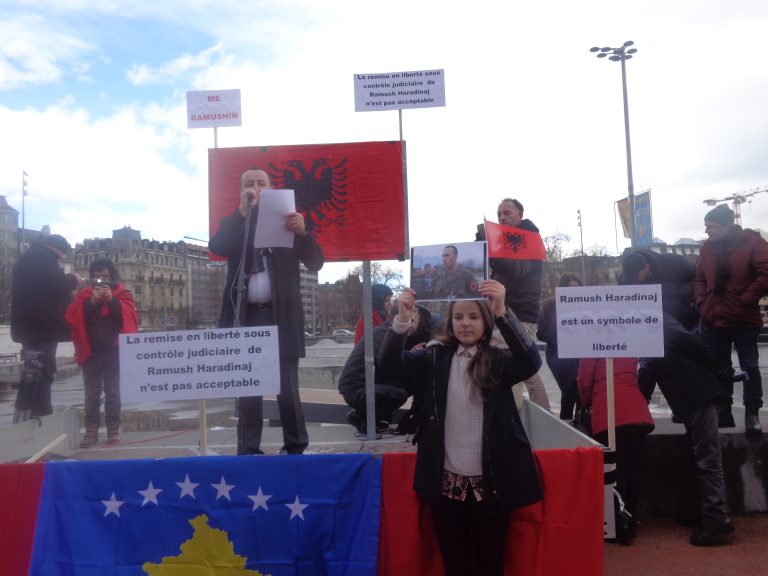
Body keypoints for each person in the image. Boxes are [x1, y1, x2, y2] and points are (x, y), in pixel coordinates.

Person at [378, 281, 543, 576]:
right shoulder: (434, 356)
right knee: (455, 565)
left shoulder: (499, 359)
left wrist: (503, 313)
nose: (465, 323)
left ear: (486, 321)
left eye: (473, 317)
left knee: (491, 564)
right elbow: (389, 365)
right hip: (446, 485)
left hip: (491, 485)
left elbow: (531, 362)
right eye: (458, 317)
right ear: (450, 321)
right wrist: (402, 319)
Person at [209, 166, 324, 455]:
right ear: (241, 191)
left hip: (281, 316)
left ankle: (295, 447)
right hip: (246, 317)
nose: (255, 187)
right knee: (249, 386)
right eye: (249, 183)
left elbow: (316, 263)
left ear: (271, 188)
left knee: (287, 387)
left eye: (261, 182)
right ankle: (249, 450)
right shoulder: (236, 221)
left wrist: (303, 233)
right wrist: (240, 214)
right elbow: (218, 246)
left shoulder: (289, 221)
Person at [638, 314, 735, 546]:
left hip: (698, 395)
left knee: (707, 459)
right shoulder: (656, 323)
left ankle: (717, 520)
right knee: (698, 457)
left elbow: (648, 370)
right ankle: (699, 512)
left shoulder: (654, 325)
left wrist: (721, 369)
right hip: (697, 395)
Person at [694, 203, 768, 434]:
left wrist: (746, 298)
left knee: (749, 366)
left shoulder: (753, 243)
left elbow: (766, 273)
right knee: (719, 368)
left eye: (710, 226)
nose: (706, 231)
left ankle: (752, 413)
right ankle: (723, 411)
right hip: (714, 318)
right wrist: (702, 302)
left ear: (724, 226)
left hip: (744, 318)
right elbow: (699, 279)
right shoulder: (707, 249)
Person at [479, 198, 551, 411]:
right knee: (527, 369)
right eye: (499, 214)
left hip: (517, 315)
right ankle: (544, 418)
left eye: (507, 213)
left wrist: (490, 251)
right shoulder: (508, 242)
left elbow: (517, 271)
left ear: (520, 216)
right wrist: (481, 247)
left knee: (510, 368)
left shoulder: (527, 240)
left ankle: (512, 421)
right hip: (509, 314)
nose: (501, 217)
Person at [577, 356, 654, 545]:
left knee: (614, 470)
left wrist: (585, 403)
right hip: (636, 409)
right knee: (633, 468)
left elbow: (584, 379)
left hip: (608, 408)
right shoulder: (626, 342)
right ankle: (630, 520)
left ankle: (619, 523)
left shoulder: (593, 345)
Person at [65, 259, 138, 447]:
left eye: (105, 277)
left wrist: (112, 300)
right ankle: (91, 430)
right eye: (98, 277)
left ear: (112, 276)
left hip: (114, 350)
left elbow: (129, 317)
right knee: (92, 393)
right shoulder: (84, 295)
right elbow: (73, 318)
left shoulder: (122, 293)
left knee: (113, 391)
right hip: (91, 350)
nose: (102, 281)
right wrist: (93, 302)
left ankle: (113, 428)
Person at [11, 234, 80, 422]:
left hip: (33, 327)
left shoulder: (30, 258)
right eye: (62, 252)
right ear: (57, 249)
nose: (62, 256)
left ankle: (29, 414)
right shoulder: (40, 259)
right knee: (40, 371)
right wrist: (73, 278)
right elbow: (58, 284)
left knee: (35, 371)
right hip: (41, 327)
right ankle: (37, 413)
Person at [340, 303, 433, 433]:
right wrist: (411, 355)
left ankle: (374, 418)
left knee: (406, 385)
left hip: (364, 385)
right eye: (408, 320)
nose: (411, 326)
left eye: (413, 321)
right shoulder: (383, 334)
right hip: (356, 388)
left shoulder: (389, 331)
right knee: (399, 393)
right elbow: (386, 365)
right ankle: (361, 417)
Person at [537, 273, 583, 419]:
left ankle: (578, 421)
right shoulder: (549, 306)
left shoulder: (584, 306)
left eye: (578, 289)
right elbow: (541, 333)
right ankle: (568, 421)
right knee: (570, 389)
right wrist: (560, 337)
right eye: (571, 289)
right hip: (557, 354)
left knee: (578, 391)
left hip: (579, 353)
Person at [620, 249, 698, 330]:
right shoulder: (627, 277)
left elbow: (698, 277)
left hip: (686, 319)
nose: (633, 282)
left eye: (636, 277)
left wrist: (682, 296)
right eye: (630, 278)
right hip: (655, 325)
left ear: (646, 267)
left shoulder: (674, 262)